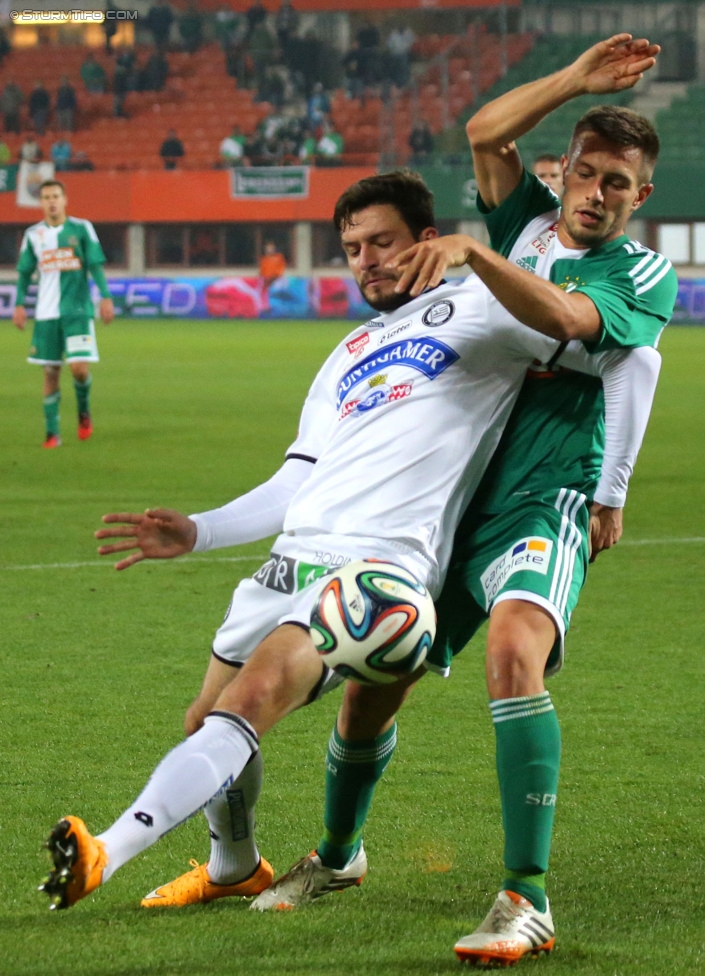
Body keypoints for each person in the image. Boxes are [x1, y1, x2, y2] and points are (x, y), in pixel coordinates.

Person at [39, 160, 653, 915]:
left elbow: (626, 353)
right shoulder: (350, 350)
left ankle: (108, 849)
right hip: (292, 555)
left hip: (377, 567)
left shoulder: (485, 310)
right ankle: (233, 864)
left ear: (426, 240)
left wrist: (606, 490)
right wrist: (199, 532)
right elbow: (296, 476)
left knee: (255, 697)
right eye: (353, 248)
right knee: (207, 717)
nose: (367, 261)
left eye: (384, 243)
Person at [253, 34, 676, 968]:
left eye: (619, 184)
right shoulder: (528, 218)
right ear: (564, 173)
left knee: (512, 653)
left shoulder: (640, 273)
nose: (598, 195)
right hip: (450, 498)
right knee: (375, 681)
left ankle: (524, 898)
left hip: (545, 491)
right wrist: (571, 79)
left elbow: (568, 321)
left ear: (641, 197)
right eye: (588, 174)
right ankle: (336, 854)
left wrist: (474, 256)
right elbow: (487, 131)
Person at [12, 180, 115, 448]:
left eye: (56, 196)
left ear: (65, 199)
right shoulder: (34, 235)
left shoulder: (82, 229)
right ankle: (52, 433)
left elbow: (95, 264)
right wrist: (20, 304)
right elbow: (24, 273)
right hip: (46, 314)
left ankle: (83, 413)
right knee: (50, 372)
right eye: (46, 197)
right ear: (42, 202)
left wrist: (105, 296)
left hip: (77, 311)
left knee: (79, 370)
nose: (51, 201)